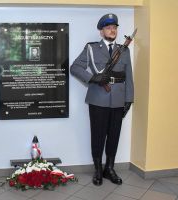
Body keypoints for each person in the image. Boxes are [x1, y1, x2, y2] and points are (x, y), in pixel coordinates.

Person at [70, 13, 134, 186]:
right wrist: (93, 78)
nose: (112, 30)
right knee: (98, 135)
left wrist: (129, 99)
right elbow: (74, 67)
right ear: (101, 32)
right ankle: (98, 169)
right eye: (108, 27)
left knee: (114, 135)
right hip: (98, 98)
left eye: (114, 27)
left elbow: (129, 76)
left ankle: (109, 168)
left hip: (119, 99)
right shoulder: (91, 48)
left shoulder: (124, 50)